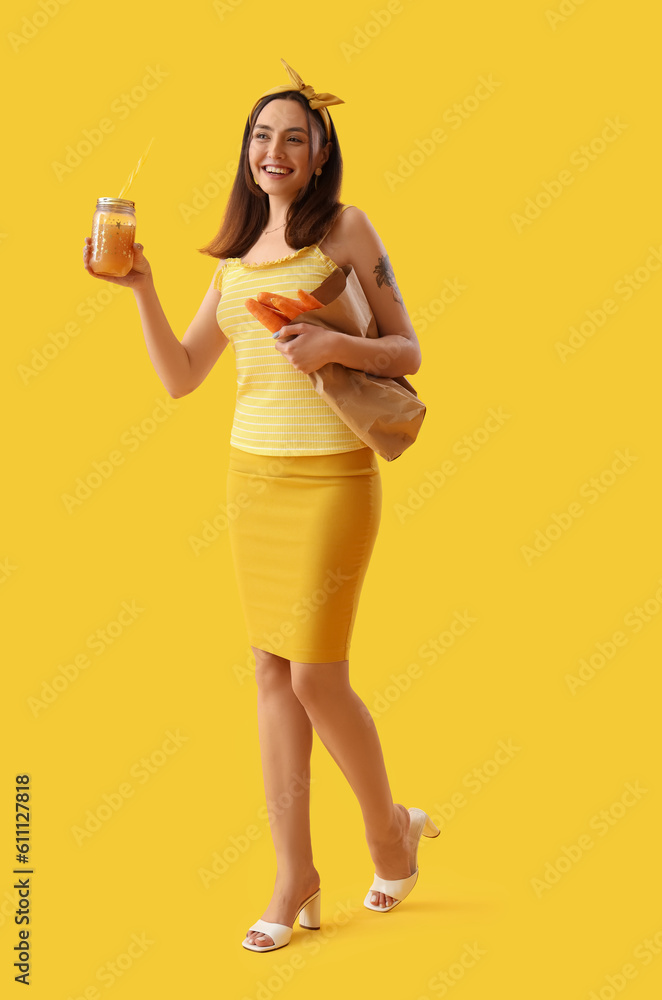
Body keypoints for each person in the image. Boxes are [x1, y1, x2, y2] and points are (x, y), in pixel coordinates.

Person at [82, 58, 440, 954]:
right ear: (246, 156)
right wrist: (141, 291)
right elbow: (181, 378)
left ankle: (389, 832)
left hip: (332, 482)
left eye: (293, 139)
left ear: (319, 157)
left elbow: (408, 350)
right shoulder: (233, 261)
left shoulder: (348, 231)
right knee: (272, 677)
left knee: (316, 674)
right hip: (252, 484)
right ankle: (297, 875)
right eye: (260, 137)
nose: (273, 151)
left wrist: (330, 345)